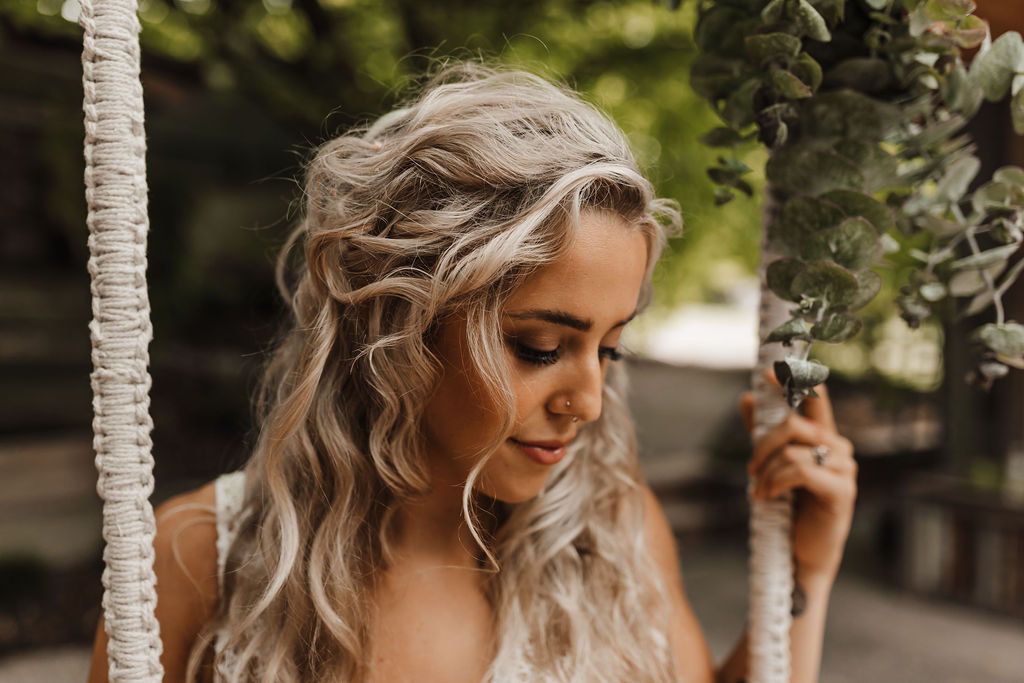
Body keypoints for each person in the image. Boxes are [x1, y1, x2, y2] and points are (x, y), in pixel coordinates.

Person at [87, 62, 856, 683]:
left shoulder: (613, 530)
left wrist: (801, 574)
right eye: (540, 347)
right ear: (401, 323)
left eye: (610, 348)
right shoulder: (199, 557)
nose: (588, 400)